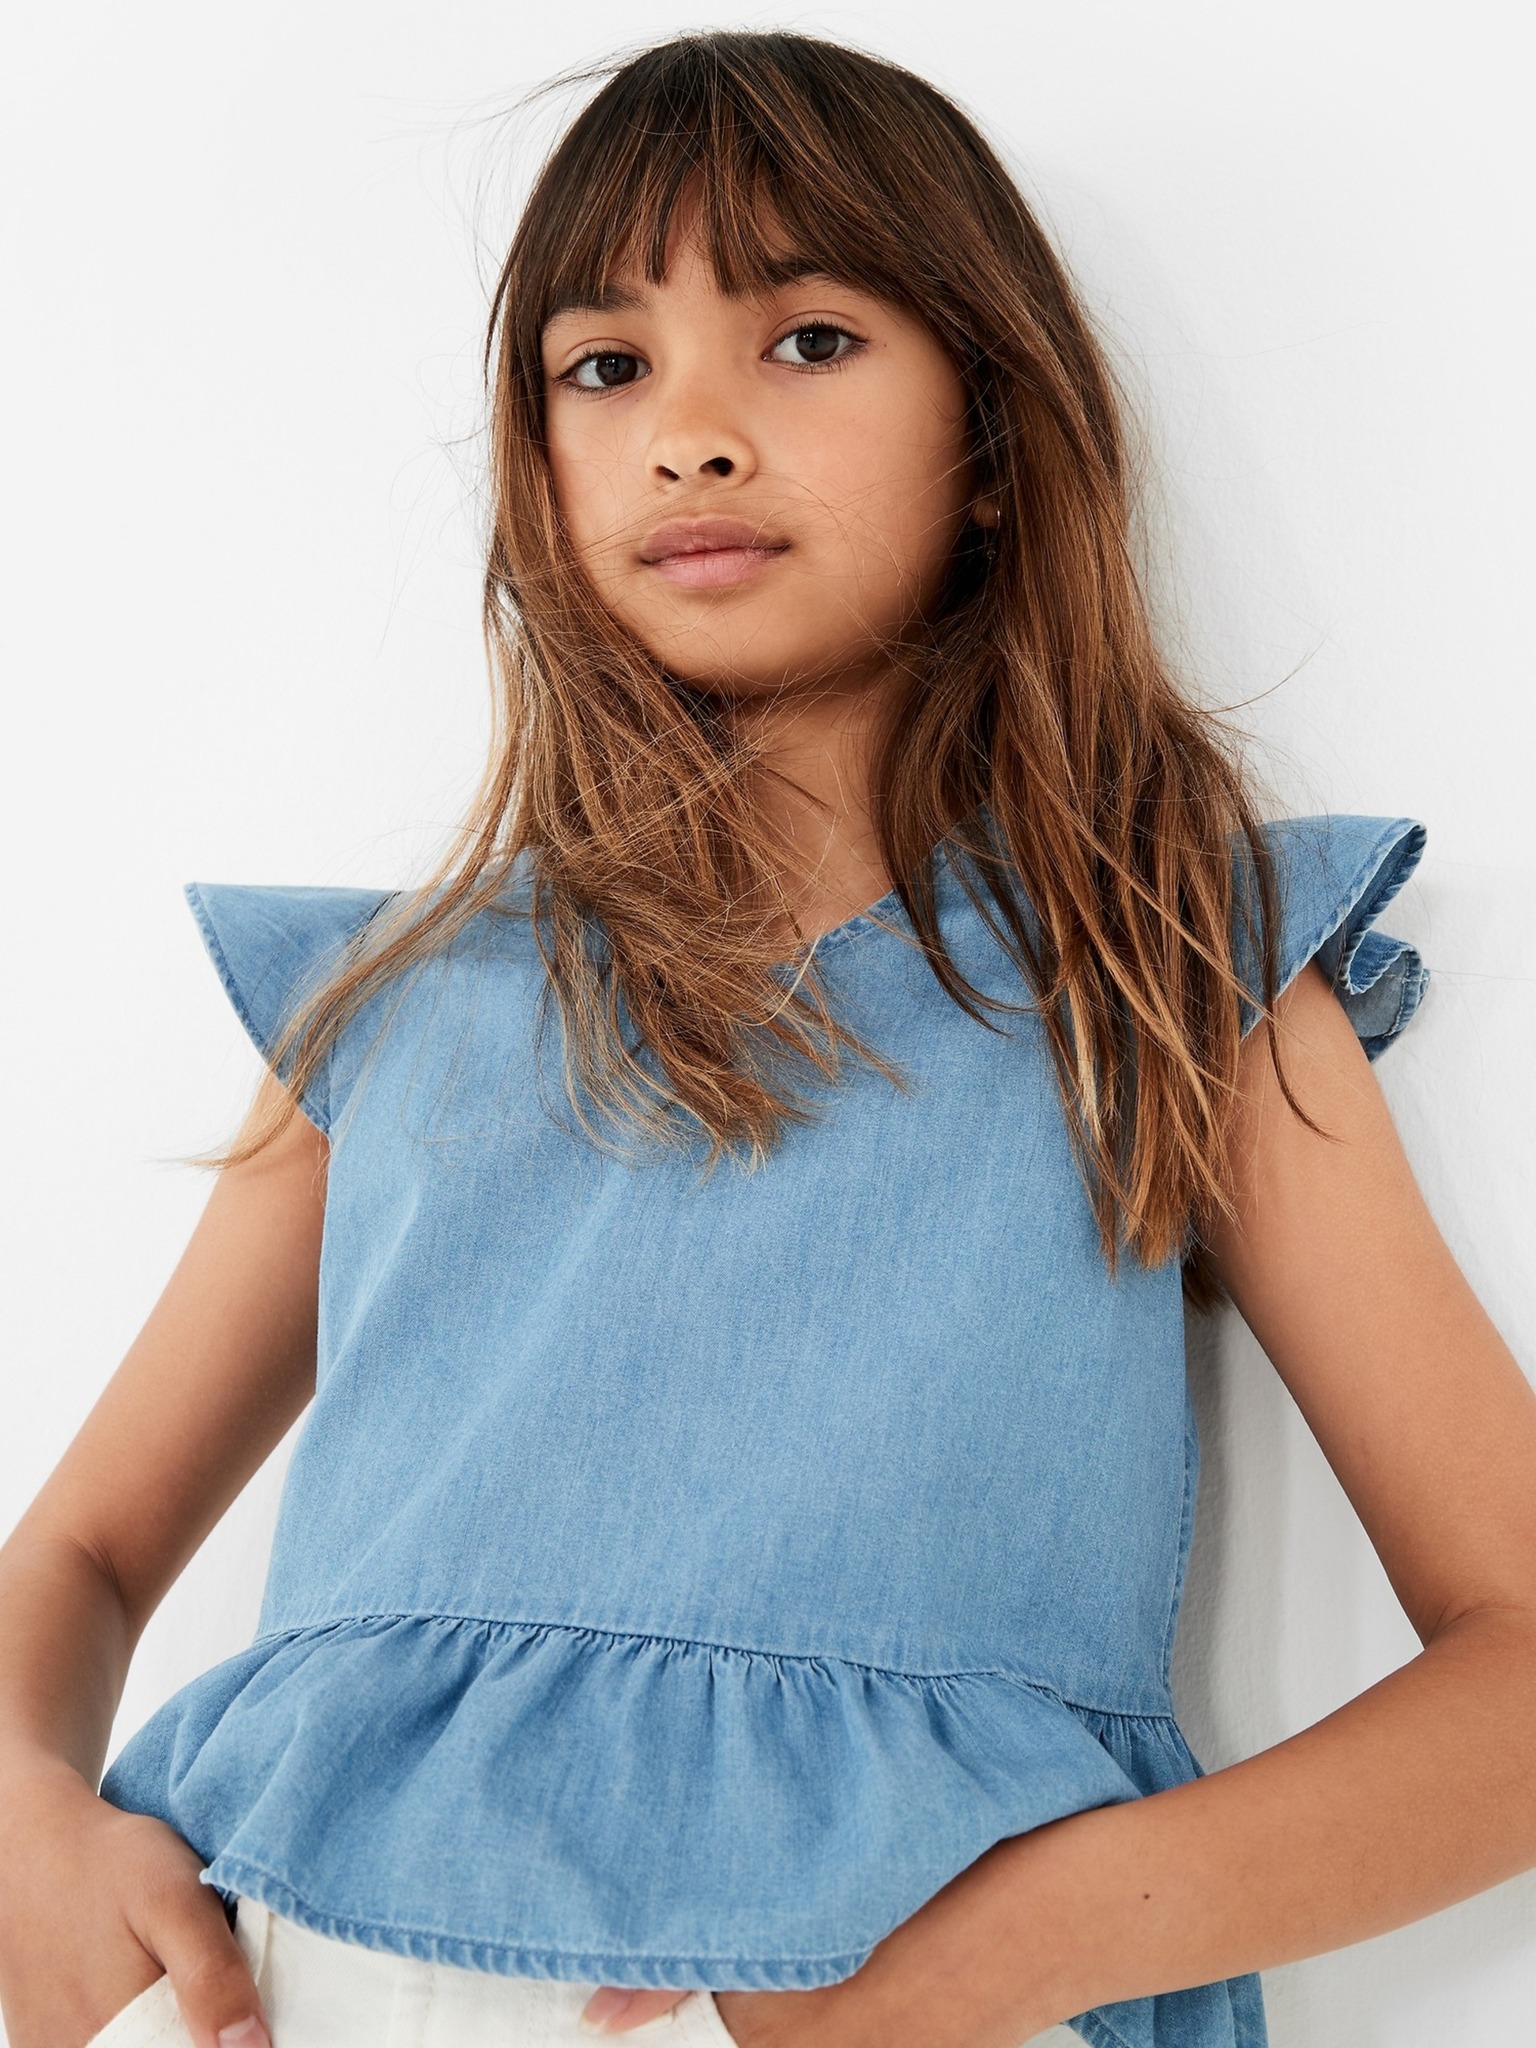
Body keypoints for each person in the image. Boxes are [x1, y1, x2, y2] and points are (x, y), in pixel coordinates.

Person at [1, 26, 1533, 2048]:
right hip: (309, 1967)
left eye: (807, 341)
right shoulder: (407, 997)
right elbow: (85, 1548)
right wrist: (22, 1807)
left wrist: (999, 1957)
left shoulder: (1171, 972)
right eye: (605, 365)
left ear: (995, 434)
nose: (692, 434)